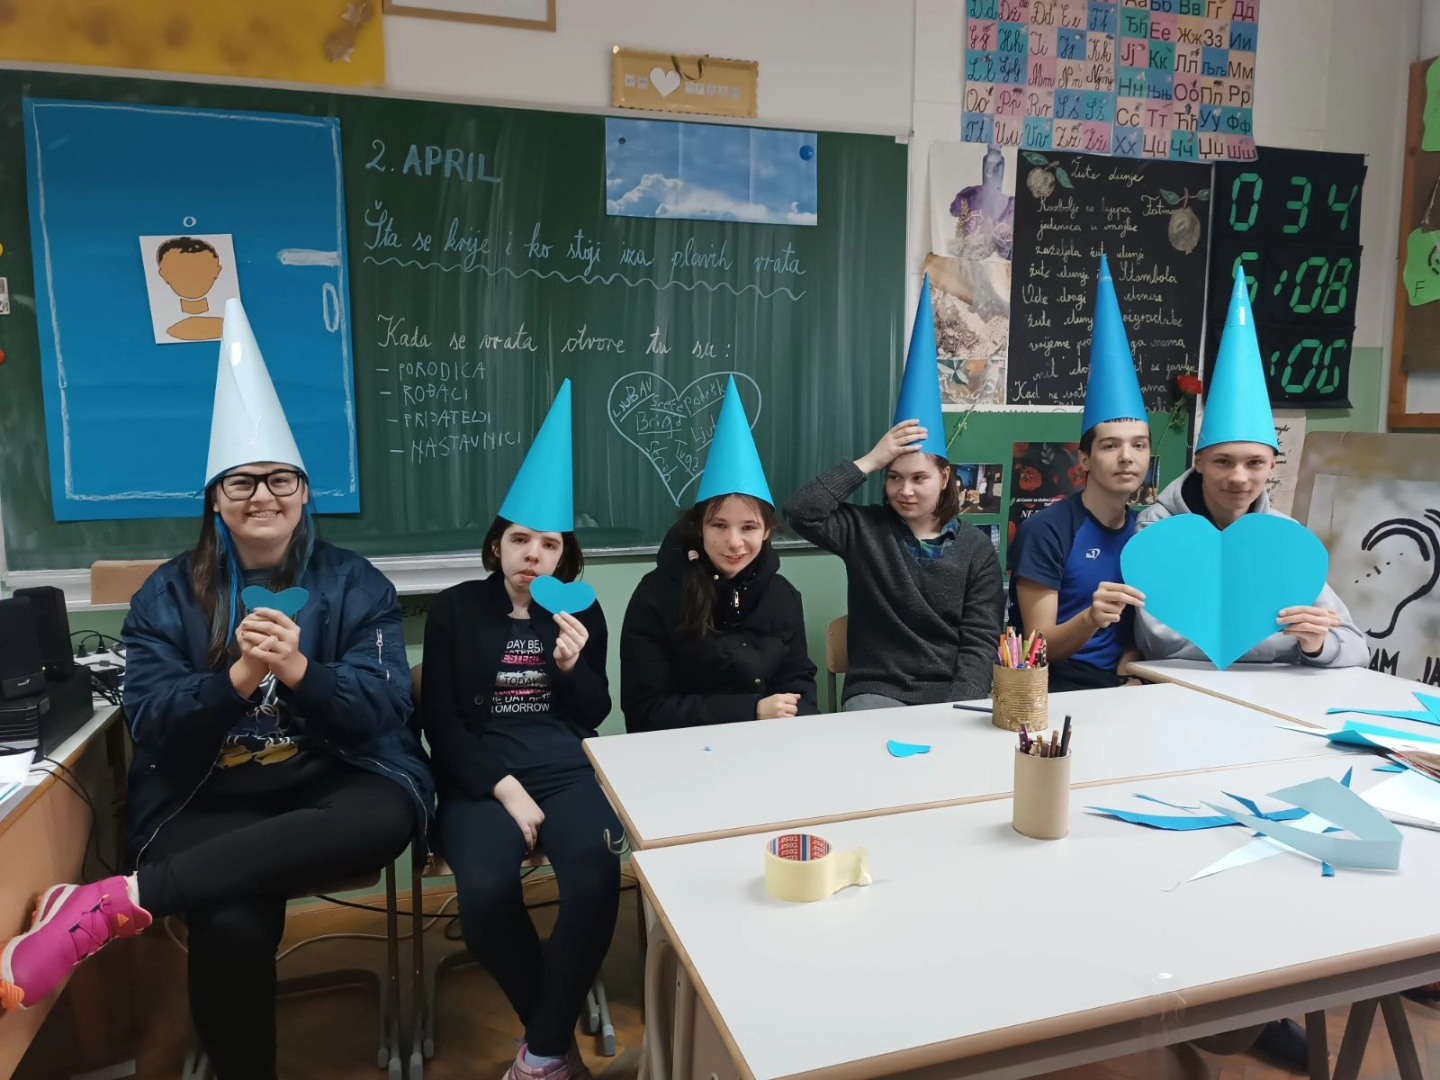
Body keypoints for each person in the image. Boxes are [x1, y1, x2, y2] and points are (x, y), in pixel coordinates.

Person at [0, 301, 431, 1080]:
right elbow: (153, 723)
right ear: (216, 498)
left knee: (390, 813)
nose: (263, 495)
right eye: (242, 482)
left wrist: (301, 672)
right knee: (230, 924)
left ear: (305, 492)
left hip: (333, 784)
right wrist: (236, 679)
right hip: (207, 795)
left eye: (280, 479)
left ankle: (118, 900)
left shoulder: (356, 584)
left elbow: (385, 708)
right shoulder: (167, 596)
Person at [421, 380, 620, 1080]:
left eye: (548, 544)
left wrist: (570, 667)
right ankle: (557, 1045)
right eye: (519, 540)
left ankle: (539, 1056)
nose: (533, 554)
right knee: (483, 896)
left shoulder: (580, 612)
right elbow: (441, 722)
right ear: (497, 546)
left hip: (563, 766)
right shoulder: (454, 610)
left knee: (596, 877)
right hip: (479, 775)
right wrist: (504, 790)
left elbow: (593, 713)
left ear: (563, 556)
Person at [786, 276, 1005, 710]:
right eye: (893, 477)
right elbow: (801, 511)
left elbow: (980, 642)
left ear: (944, 477)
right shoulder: (864, 530)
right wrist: (870, 460)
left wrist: (957, 710)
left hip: (948, 696)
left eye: (919, 478)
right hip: (877, 690)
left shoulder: (976, 550)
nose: (904, 490)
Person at [1134, 273, 1367, 670]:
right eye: (1223, 461)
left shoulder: (1283, 536)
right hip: (1182, 691)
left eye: (1255, 463)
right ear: (1199, 462)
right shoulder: (1159, 530)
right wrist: (1284, 641)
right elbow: (1163, 642)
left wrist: (1316, 645)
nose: (1239, 478)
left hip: (1274, 694)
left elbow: (1356, 646)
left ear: (1272, 465)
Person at [623, 377, 818, 731]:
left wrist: (796, 723)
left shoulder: (783, 595)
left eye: (748, 527)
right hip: (684, 749)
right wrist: (751, 710)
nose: (734, 542)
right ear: (699, 528)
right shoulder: (656, 595)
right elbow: (645, 710)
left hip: (771, 741)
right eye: (719, 526)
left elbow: (800, 683)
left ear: (767, 531)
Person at [1010, 256, 1151, 692]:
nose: (1126, 457)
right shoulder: (1048, 531)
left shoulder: (1148, 530)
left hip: (1128, 688)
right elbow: (1037, 646)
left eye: (1139, 445)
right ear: (1084, 460)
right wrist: (1091, 618)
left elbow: (1148, 631)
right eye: (1110, 446)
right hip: (1056, 689)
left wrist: (1134, 665)